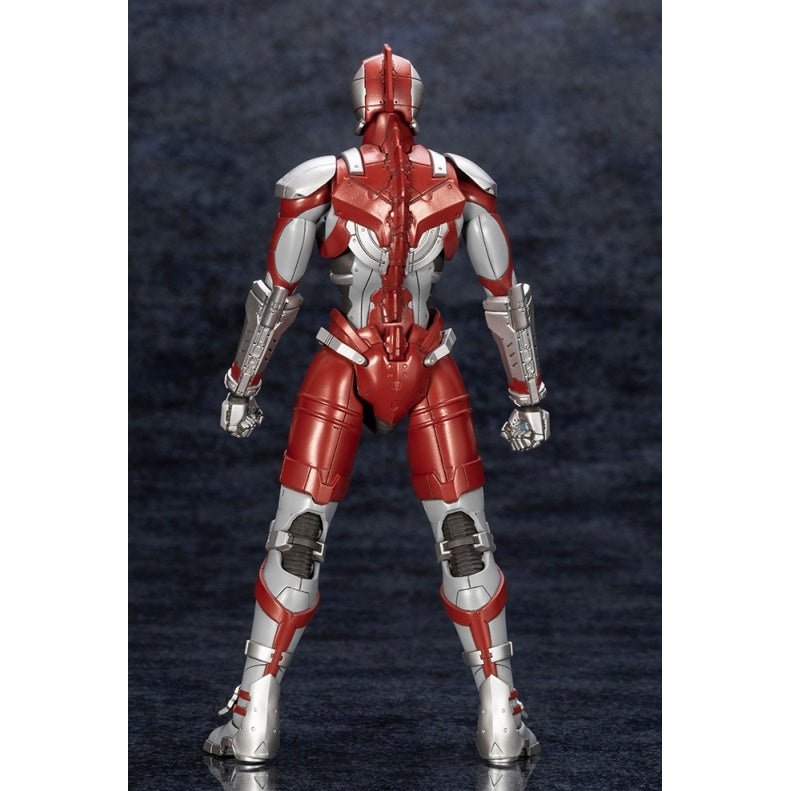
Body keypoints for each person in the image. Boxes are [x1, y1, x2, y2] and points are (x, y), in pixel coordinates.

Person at [204, 45, 550, 766]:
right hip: (429, 365)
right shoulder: (459, 184)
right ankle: (500, 710)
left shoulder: (323, 181)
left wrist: (242, 385)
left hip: (345, 361)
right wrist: (526, 397)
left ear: (359, 102)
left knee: (297, 537)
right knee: (465, 538)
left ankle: (255, 710)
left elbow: (276, 295)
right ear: (413, 102)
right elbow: (504, 297)